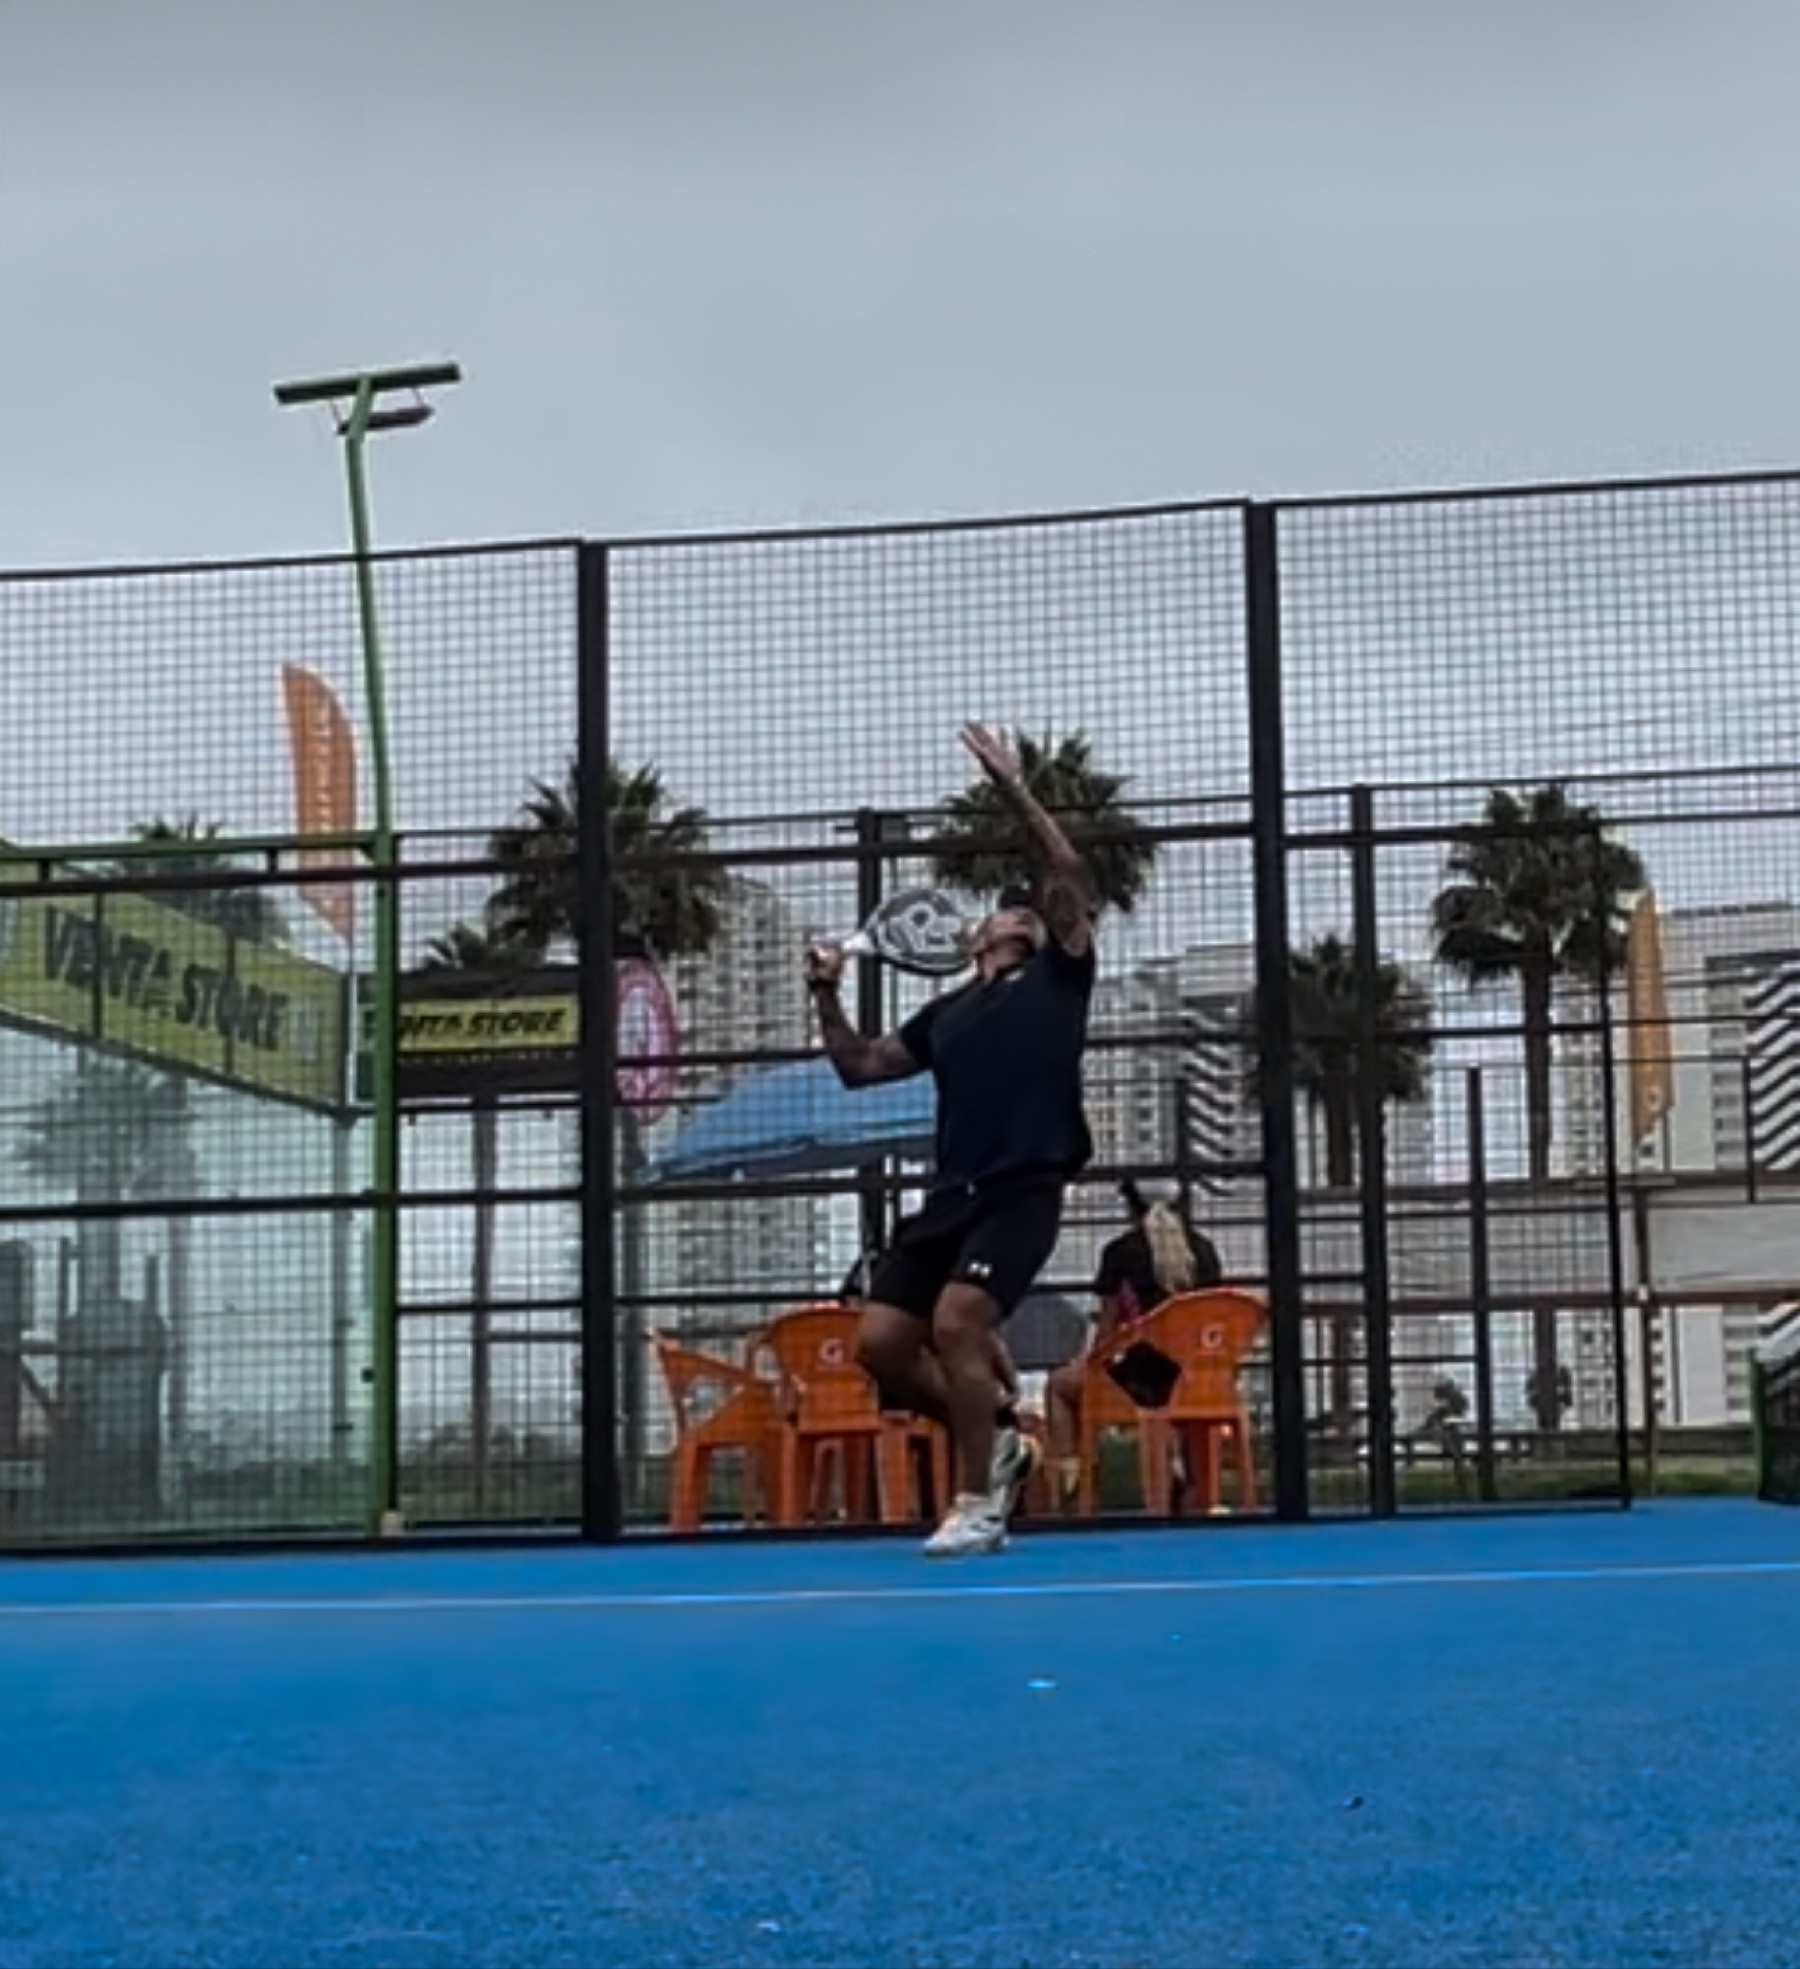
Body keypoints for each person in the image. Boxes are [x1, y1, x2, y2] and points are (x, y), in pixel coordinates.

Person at [804, 722, 1098, 1557]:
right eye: (1006, 909)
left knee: (959, 1322)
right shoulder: (946, 1015)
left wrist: (1012, 786)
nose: (1020, 910)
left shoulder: (1060, 976)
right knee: (882, 1345)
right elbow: (860, 1065)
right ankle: (999, 1433)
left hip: (1022, 1188)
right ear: (976, 942)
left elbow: (1068, 870)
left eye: (1029, 908)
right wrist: (824, 990)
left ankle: (977, 1502)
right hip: (950, 1198)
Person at [1044, 1180, 1223, 1498]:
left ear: (1130, 1208)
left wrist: (1092, 1362)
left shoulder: (1121, 1253)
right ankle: (1183, 1473)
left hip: (1143, 1378)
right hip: (1201, 1377)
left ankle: (1072, 1479)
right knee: (1170, 1401)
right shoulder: (1204, 1250)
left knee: (1058, 1385)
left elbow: (1108, 1329)